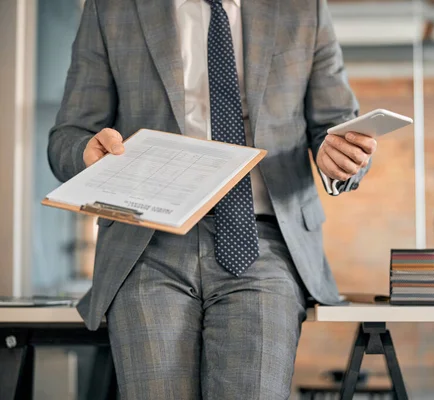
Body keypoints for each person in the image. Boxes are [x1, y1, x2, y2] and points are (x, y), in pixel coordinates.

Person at [47, 0, 377, 399]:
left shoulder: (302, 8)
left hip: (263, 244)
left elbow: (337, 127)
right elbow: (66, 136)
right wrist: (88, 153)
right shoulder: (113, 10)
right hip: (146, 246)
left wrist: (341, 158)